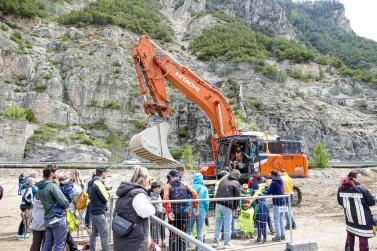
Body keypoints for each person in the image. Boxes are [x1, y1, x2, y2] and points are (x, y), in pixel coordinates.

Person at [113, 166, 156, 251]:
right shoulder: (138, 194)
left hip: (122, 235)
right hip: (134, 241)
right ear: (143, 181)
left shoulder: (125, 192)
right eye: (148, 180)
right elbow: (148, 211)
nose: (149, 183)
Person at [337, 170, 376, 251]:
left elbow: (340, 202)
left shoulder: (341, 188)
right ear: (353, 178)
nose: (361, 179)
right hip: (363, 220)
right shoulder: (361, 189)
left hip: (350, 219)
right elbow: (371, 202)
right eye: (359, 177)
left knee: (350, 234)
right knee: (363, 236)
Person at [36, 164, 69, 251]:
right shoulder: (52, 186)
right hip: (57, 217)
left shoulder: (40, 187)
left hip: (47, 218)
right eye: (56, 171)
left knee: (47, 244)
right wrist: (66, 205)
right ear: (51, 173)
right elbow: (64, 201)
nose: (57, 174)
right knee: (59, 245)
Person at [163, 169, 199, 251]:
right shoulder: (185, 184)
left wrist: (169, 212)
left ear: (170, 176)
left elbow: (165, 199)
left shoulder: (168, 186)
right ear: (178, 176)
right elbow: (195, 194)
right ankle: (182, 249)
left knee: (173, 233)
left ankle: (173, 249)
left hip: (173, 212)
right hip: (184, 212)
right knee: (183, 232)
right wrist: (196, 207)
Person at [213, 169, 241, 249]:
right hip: (227, 205)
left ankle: (215, 242)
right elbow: (237, 197)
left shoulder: (223, 180)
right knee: (227, 225)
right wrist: (235, 208)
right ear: (237, 176)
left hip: (218, 204)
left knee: (218, 224)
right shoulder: (236, 183)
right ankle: (227, 243)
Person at [88, 167, 110, 251]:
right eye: (106, 172)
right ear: (103, 173)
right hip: (99, 213)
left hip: (93, 212)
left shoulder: (91, 182)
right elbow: (106, 197)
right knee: (104, 236)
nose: (106, 174)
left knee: (93, 235)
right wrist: (107, 193)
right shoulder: (98, 183)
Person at [186, 173, 209, 250]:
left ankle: (186, 245)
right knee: (200, 230)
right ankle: (199, 248)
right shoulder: (204, 188)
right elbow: (206, 201)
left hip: (191, 210)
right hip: (201, 211)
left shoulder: (190, 187)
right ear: (201, 179)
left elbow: (187, 199)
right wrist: (206, 210)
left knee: (189, 228)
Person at [263, 170, 286, 242]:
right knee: (281, 219)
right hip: (283, 202)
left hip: (277, 203)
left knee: (276, 220)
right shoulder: (281, 180)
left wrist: (263, 192)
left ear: (273, 175)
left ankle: (278, 236)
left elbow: (269, 192)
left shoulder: (274, 182)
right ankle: (283, 235)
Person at [150, 180, 165, 247]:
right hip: (155, 219)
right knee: (155, 235)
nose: (160, 189)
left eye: (160, 188)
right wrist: (164, 211)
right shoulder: (153, 198)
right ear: (154, 189)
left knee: (157, 234)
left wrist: (163, 209)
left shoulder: (158, 196)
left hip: (159, 218)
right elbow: (157, 210)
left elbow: (160, 206)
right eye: (158, 188)